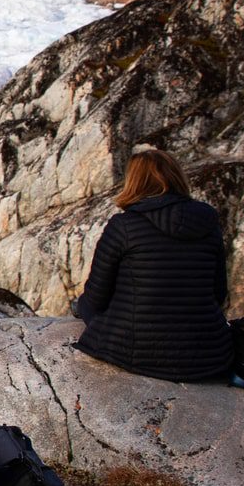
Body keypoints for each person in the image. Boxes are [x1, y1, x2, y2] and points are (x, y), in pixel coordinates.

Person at [71, 149, 231, 382]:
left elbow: (96, 297)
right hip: (209, 356)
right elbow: (219, 293)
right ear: (177, 177)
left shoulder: (124, 226)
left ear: (134, 182)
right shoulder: (208, 222)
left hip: (138, 353)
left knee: (83, 307)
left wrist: (82, 308)